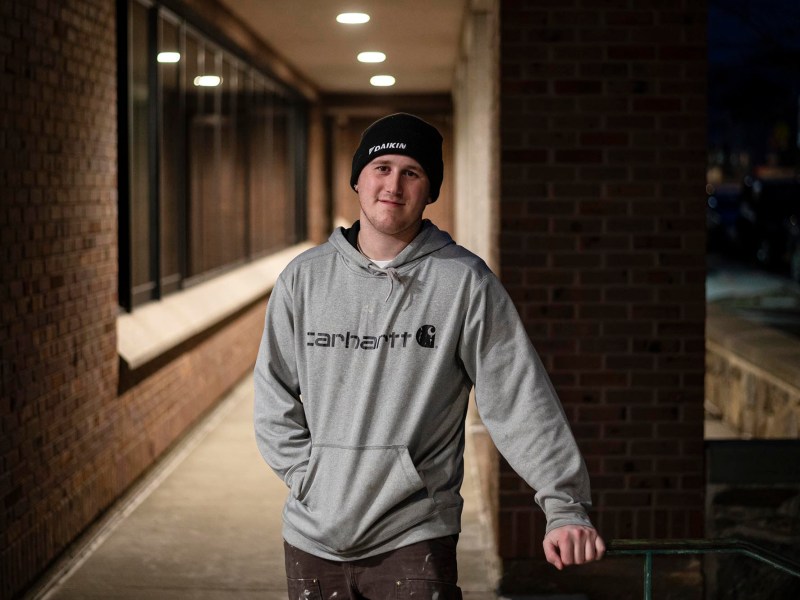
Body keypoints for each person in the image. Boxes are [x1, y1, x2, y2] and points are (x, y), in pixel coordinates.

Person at [254, 113, 605, 599]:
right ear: (358, 178)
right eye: (381, 167)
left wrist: (563, 506)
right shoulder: (304, 279)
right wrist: (310, 477)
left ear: (430, 190)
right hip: (312, 538)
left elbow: (518, 399)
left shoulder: (464, 283)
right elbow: (273, 396)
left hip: (414, 533)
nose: (393, 184)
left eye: (411, 172)